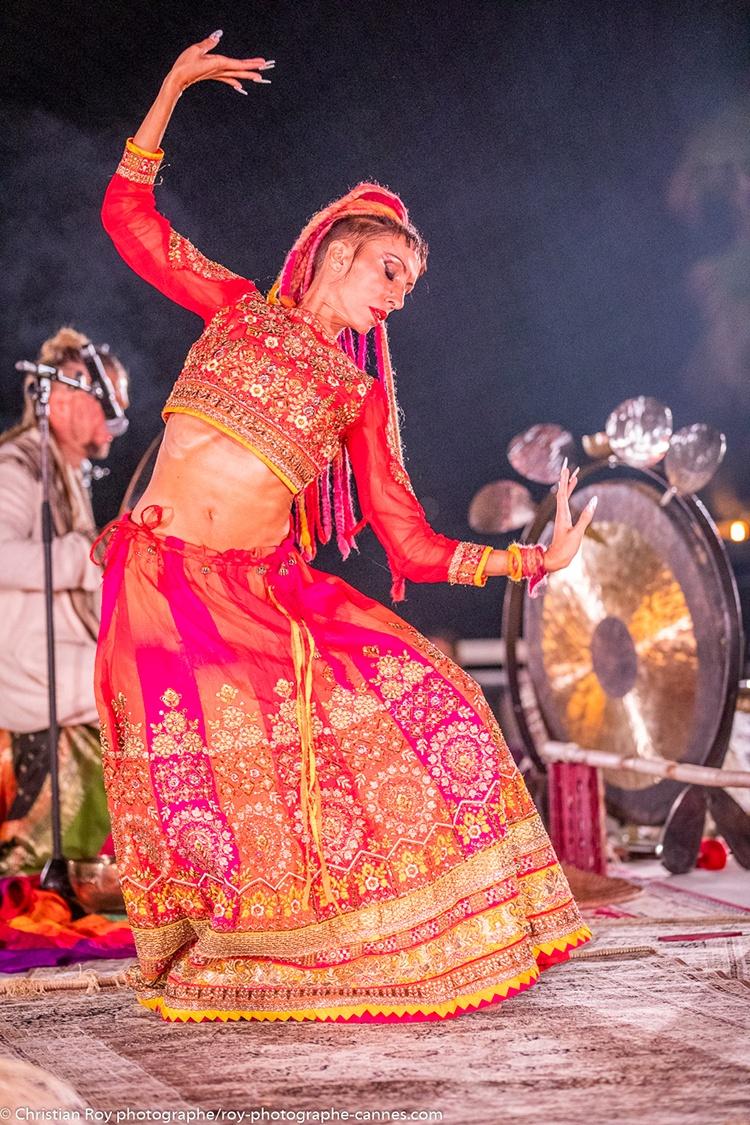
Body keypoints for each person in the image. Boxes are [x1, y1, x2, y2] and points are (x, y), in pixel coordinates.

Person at [95, 32, 598, 1024]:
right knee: (194, 789)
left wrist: (534, 558)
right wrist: (172, 89)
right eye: (389, 268)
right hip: (156, 582)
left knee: (433, 699)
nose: (398, 293)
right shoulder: (235, 310)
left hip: (253, 596)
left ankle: (344, 944)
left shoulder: (355, 396)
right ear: (335, 249)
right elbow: (128, 218)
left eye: (408, 284)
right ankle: (221, 945)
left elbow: (409, 543)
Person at [0, 327, 128, 874]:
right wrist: (89, 554)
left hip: (52, 658)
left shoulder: (65, 472)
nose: (119, 415)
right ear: (64, 399)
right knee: (140, 683)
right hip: (26, 665)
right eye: (109, 400)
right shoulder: (19, 465)